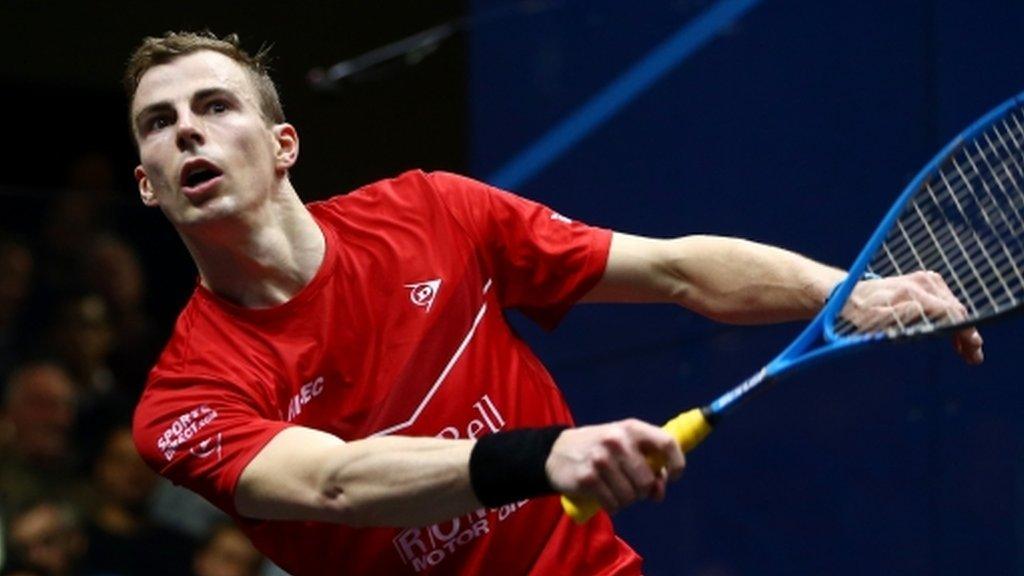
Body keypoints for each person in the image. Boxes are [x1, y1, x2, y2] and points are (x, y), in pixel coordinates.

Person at [125, 31, 984, 576]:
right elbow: (336, 484)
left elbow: (677, 270)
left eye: (214, 105)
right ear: (148, 187)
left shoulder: (433, 212)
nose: (188, 132)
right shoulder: (182, 402)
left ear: (283, 146)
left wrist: (848, 295)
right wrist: (544, 457)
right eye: (159, 124)